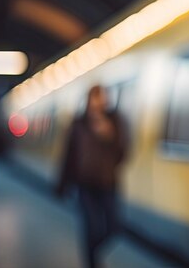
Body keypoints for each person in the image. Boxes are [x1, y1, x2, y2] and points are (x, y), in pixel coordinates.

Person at [56, 85, 127, 268]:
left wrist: (109, 136)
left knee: (113, 227)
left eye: (103, 97)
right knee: (91, 227)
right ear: (89, 100)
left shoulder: (114, 121)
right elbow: (69, 155)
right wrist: (61, 184)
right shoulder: (79, 124)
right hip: (85, 184)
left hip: (108, 183)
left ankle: (92, 256)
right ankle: (92, 263)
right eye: (96, 97)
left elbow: (123, 152)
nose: (100, 102)